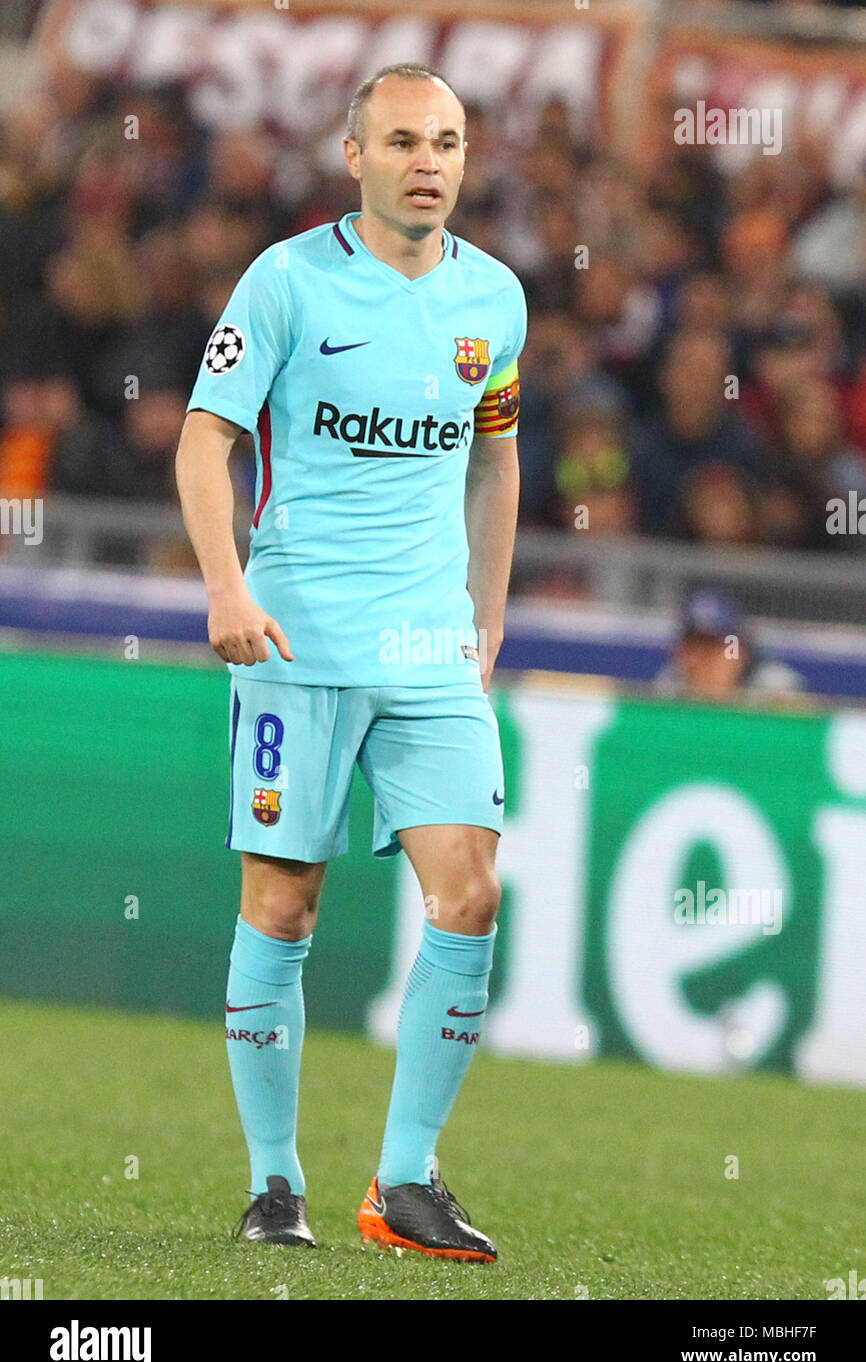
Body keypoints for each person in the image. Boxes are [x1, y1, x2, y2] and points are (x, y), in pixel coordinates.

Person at [175, 63, 527, 1263]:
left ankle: (402, 1181)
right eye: (402, 141)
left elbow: (494, 460)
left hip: (431, 650)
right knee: (284, 902)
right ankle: (276, 1186)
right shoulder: (285, 281)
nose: (427, 161)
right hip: (298, 640)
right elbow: (203, 439)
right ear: (354, 155)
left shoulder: (497, 300)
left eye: (445, 141)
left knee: (468, 891)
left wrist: (486, 619)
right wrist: (225, 583)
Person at [654, 589, 804, 702]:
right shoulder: (669, 686)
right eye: (693, 646)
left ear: (740, 651)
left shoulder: (775, 690)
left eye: (713, 647)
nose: (701, 661)